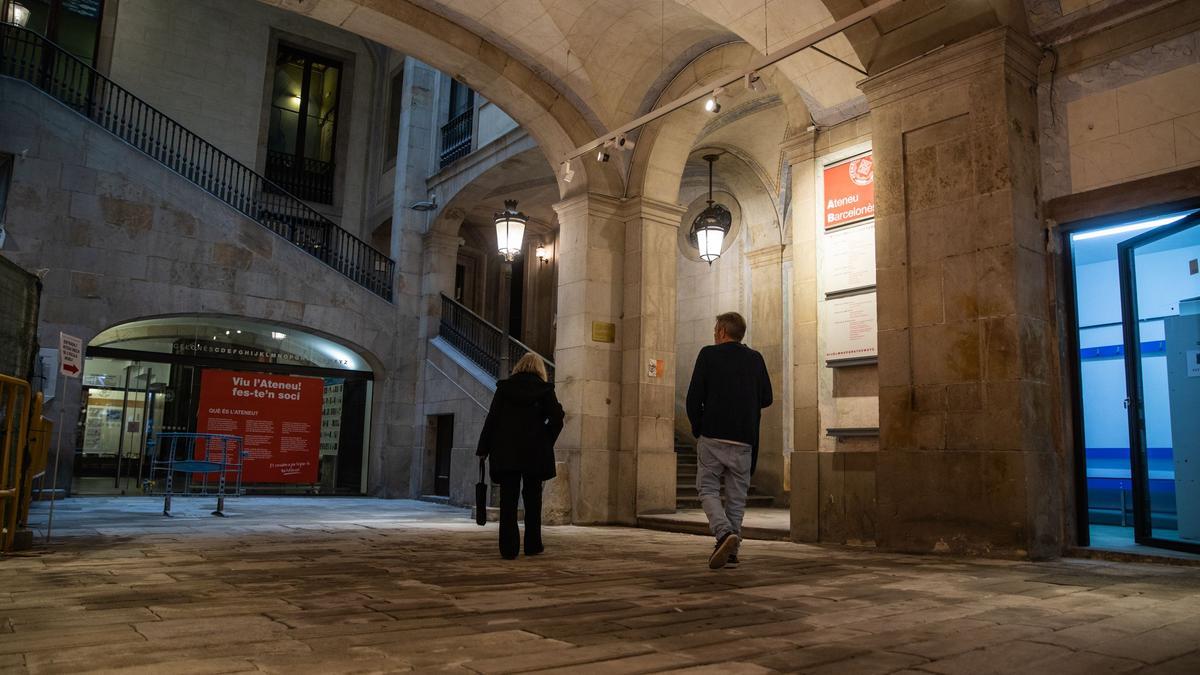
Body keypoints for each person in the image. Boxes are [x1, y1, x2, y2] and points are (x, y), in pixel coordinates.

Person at [685, 311, 772, 569]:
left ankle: (723, 533)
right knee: (736, 497)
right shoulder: (755, 359)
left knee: (707, 489)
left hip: (713, 435)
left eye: (715, 330)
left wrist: (699, 427)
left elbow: (693, 397)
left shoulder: (708, 355)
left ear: (722, 331)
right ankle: (732, 551)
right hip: (744, 438)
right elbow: (767, 398)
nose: (714, 334)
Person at [476, 352, 565, 559]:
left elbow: (493, 419)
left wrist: (483, 448)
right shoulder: (544, 390)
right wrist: (546, 439)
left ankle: (509, 548)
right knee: (533, 500)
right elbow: (557, 418)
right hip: (534, 453)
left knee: (509, 500)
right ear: (540, 369)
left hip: (507, 452)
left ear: (519, 366)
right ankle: (533, 545)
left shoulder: (504, 389)